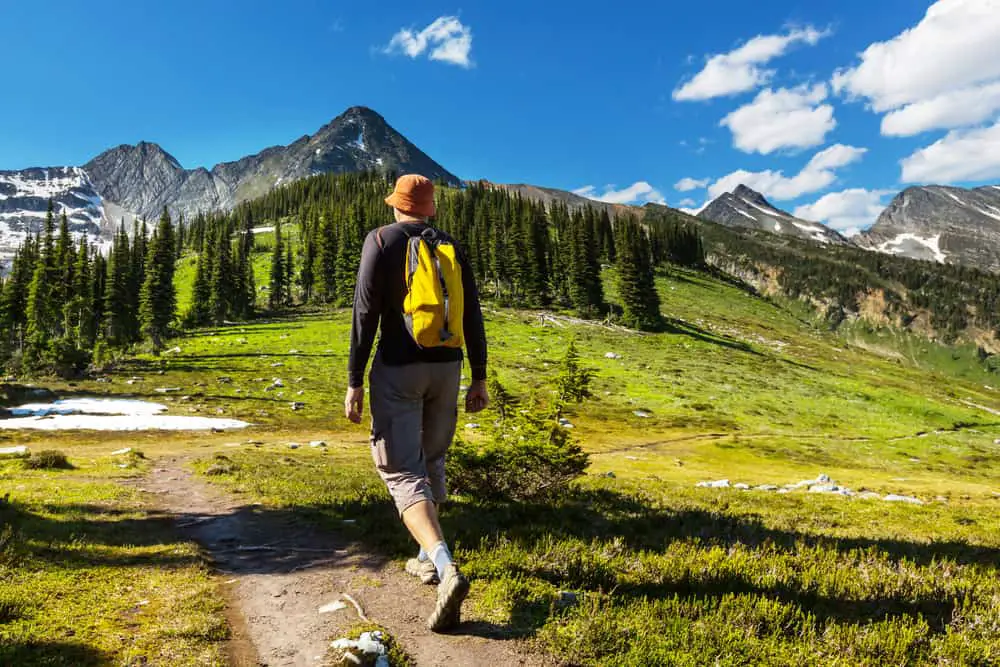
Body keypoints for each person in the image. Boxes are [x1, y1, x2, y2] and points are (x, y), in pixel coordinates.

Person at [344, 173, 489, 632]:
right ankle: (425, 559)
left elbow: (365, 314)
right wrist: (479, 377)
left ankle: (445, 567)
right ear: (429, 208)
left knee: (402, 469)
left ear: (397, 205)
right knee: (432, 459)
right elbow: (473, 316)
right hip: (448, 368)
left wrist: (355, 381)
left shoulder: (381, 241)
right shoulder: (451, 247)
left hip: (399, 370)